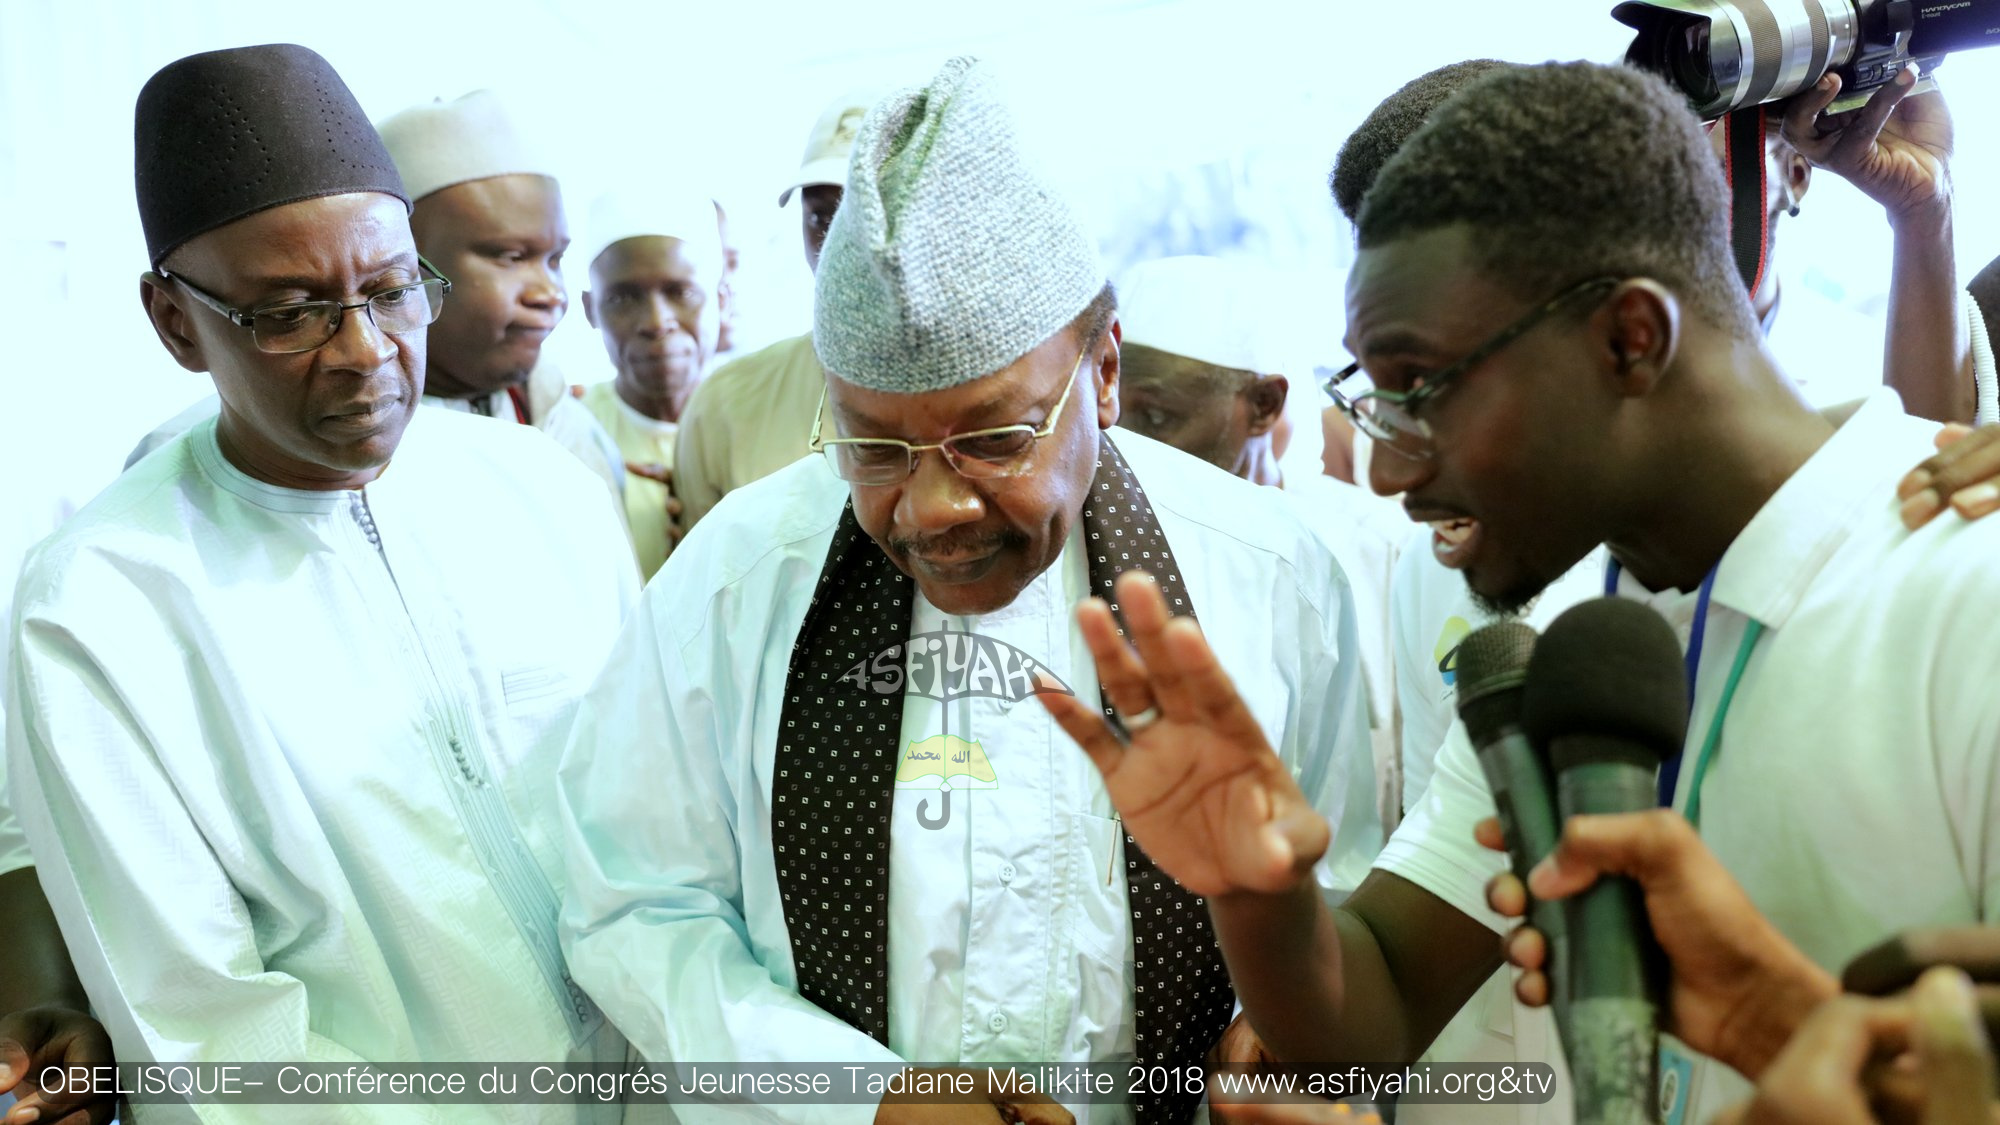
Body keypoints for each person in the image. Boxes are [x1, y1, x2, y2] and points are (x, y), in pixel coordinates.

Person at [1042, 60, 2000, 1125]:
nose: (1389, 471)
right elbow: (1374, 1011)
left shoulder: (1968, 588)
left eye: (1424, 391)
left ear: (1628, 341)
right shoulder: (1564, 637)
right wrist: (1252, 885)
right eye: (1375, 401)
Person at [558, 57, 1379, 1125]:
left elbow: (1341, 869)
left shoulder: (1269, 573)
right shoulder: (738, 581)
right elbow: (631, 902)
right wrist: (864, 1099)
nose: (935, 508)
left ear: (1105, 371)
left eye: (994, 439)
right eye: (874, 446)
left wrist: (1285, 1021)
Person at [7, 45, 637, 1123]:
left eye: (392, 291)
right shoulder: (103, 607)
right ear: (174, 321)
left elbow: (661, 831)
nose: (365, 351)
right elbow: (207, 1026)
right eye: (291, 313)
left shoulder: (546, 494)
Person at [1115, 255, 1408, 826]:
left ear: (1264, 405)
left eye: (1155, 417)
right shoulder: (1108, 538)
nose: (1128, 447)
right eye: (1114, 418)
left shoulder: (1372, 547)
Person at [377, 89, 629, 507]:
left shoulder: (569, 428)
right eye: (511, 257)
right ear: (404, 264)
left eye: (555, 259)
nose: (550, 293)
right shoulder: (349, 456)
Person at [671, 89, 878, 531]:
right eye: (822, 218)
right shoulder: (724, 407)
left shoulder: (997, 406)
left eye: (871, 216)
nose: (841, 245)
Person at [577, 190, 729, 580]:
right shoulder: (571, 436)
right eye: (622, 299)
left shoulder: (770, 421)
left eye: (682, 293)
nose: (657, 322)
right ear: (590, 310)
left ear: (721, 299)